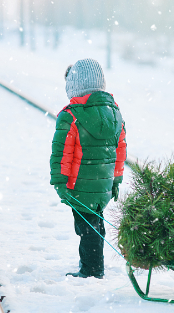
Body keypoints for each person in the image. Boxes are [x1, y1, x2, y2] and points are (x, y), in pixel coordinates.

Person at [50, 58, 127, 279]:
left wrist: (59, 181)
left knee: (87, 228)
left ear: (73, 87)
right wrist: (115, 180)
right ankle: (94, 266)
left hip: (79, 184)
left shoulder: (71, 115)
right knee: (95, 223)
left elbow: (61, 153)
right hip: (102, 184)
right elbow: (120, 151)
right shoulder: (115, 114)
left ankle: (92, 270)